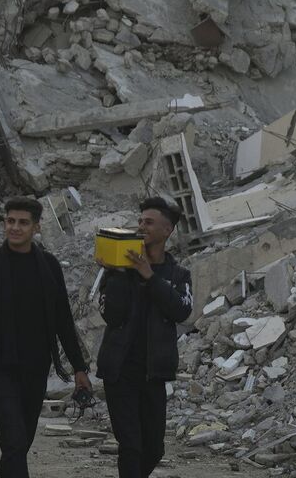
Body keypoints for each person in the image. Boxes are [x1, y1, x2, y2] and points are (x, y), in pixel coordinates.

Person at [0, 197, 92, 478]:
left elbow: (63, 321)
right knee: (15, 441)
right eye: (10, 221)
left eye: (23, 222)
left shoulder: (50, 267)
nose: (15, 228)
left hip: (36, 367)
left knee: (19, 445)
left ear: (36, 227)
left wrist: (79, 368)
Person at [95, 197, 194, 478]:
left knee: (154, 448)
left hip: (154, 374)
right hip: (120, 372)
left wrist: (150, 277)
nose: (141, 227)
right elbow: (111, 316)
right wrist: (117, 275)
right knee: (131, 446)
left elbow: (182, 310)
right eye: (139, 221)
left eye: (148, 222)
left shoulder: (178, 274)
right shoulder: (118, 269)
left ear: (168, 230)